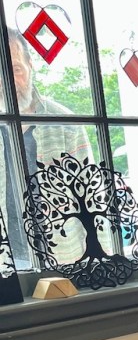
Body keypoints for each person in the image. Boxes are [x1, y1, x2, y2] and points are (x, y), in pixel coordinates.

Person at [0, 28, 92, 266]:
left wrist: (101, 263)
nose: (6, 81)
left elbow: (92, 198)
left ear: (30, 66)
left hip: (65, 259)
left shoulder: (65, 123)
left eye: (16, 69)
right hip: (7, 265)